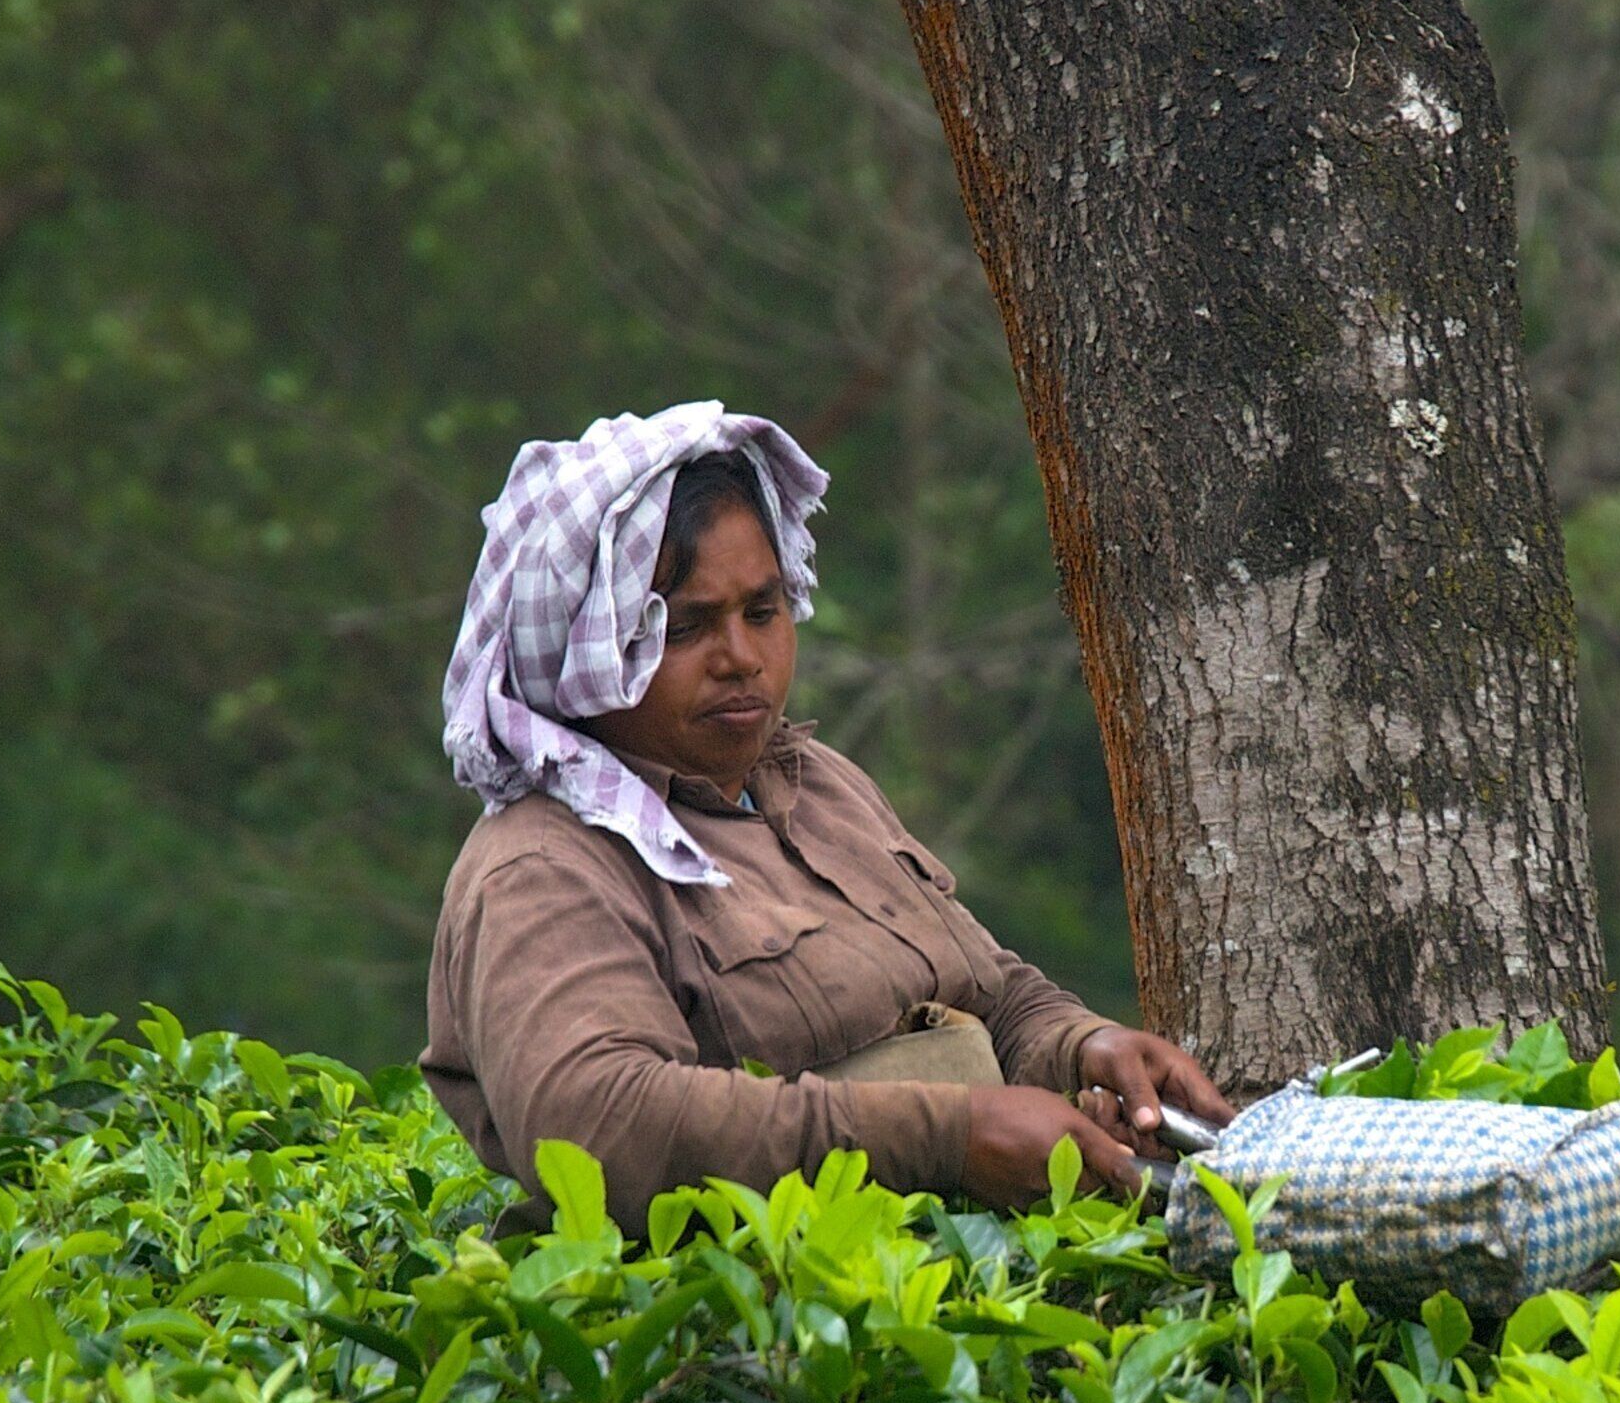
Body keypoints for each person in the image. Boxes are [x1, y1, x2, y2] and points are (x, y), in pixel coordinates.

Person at [422, 402, 1228, 1229]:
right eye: (686, 628)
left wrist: (1083, 1046)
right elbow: (598, 1129)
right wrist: (948, 1138)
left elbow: (991, 992)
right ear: (585, 648)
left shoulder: (816, 784)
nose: (743, 658)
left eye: (762, 612)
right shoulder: (545, 865)